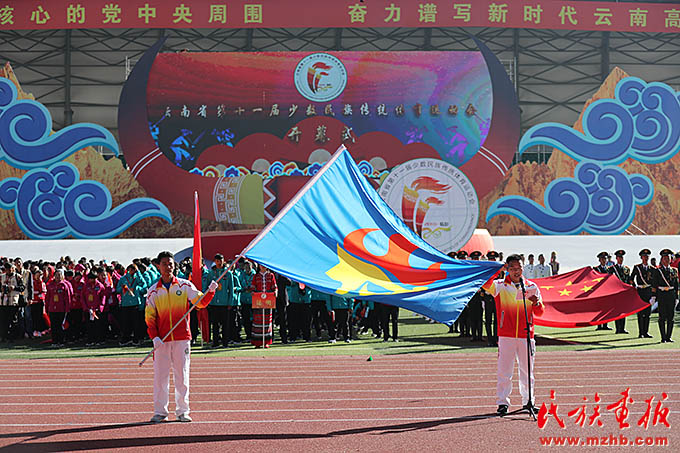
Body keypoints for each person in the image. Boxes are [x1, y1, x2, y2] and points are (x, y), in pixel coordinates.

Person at [145, 250, 217, 423]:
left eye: (170, 264)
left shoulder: (185, 286)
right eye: (164, 264)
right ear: (158, 266)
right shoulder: (153, 291)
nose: (168, 267)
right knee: (160, 377)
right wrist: (154, 337)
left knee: (182, 375)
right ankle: (160, 411)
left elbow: (200, 303)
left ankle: (183, 411)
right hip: (161, 341)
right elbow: (149, 317)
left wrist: (210, 292)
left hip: (181, 338)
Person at [483, 254, 544, 416]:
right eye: (512, 268)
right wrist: (497, 270)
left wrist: (536, 303)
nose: (516, 271)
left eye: (519, 268)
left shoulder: (531, 286)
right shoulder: (499, 286)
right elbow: (485, 283)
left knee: (527, 371)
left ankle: (529, 401)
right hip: (506, 335)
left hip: (526, 334)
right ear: (507, 269)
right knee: (505, 371)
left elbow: (540, 312)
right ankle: (503, 402)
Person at [250, 264, 277, 348]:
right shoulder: (256, 276)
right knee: (257, 321)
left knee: (267, 321)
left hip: (268, 301)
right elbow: (253, 287)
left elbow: (274, 287)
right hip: (258, 301)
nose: (263, 266)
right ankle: (257, 342)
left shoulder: (271, 275)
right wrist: (253, 292)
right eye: (261, 265)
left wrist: (275, 292)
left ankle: (266, 342)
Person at [653, 249, 677, 343]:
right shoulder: (657, 270)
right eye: (665, 258)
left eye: (668, 258)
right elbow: (654, 284)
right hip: (662, 294)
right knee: (662, 317)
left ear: (671, 259)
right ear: (662, 259)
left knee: (671, 317)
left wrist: (677, 297)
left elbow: (676, 285)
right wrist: (654, 296)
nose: (666, 260)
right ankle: (663, 337)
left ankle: (669, 337)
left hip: (671, 294)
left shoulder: (674, 270)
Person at [44, 269, 72, 347]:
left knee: (60, 326)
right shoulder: (50, 285)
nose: (57, 277)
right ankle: (54, 341)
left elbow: (67, 298)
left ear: (62, 276)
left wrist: (67, 309)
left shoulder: (64, 285)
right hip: (52, 309)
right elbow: (47, 297)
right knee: (53, 326)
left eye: (59, 275)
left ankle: (61, 341)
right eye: (56, 275)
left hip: (61, 309)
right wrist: (46, 308)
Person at [630, 249, 654, 339]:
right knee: (640, 313)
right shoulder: (637, 267)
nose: (646, 258)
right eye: (644, 256)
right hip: (640, 291)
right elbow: (631, 278)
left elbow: (654, 281)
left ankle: (646, 332)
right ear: (641, 257)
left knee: (647, 313)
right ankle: (641, 333)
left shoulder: (652, 268)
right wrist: (635, 286)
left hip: (648, 291)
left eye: (647, 256)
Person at [608, 250, 631, 334]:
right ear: (616, 258)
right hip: (616, 292)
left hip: (624, 292)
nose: (621, 259)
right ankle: (618, 328)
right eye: (619, 257)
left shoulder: (626, 268)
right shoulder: (611, 269)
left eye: (622, 257)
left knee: (623, 310)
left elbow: (628, 280)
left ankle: (623, 328)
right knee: (617, 311)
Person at [593, 252, 612, 331]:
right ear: (599, 260)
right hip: (599, 291)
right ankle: (599, 325)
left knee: (606, 308)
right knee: (599, 308)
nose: (604, 260)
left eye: (605, 259)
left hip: (607, 291)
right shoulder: (596, 269)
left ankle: (605, 325)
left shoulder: (609, 269)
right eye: (602, 259)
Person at [467, 251, 484, 342]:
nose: (476, 259)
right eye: (475, 258)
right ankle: (474, 335)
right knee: (472, 317)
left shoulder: (483, 268)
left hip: (481, 296)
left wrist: (482, 289)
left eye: (478, 258)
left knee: (480, 318)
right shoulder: (470, 269)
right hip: (472, 296)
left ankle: (480, 336)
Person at [484, 251, 500, 347]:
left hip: (497, 297)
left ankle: (496, 339)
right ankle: (490, 339)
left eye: (494, 259)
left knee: (497, 320)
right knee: (488, 320)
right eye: (491, 259)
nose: (492, 260)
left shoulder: (500, 271)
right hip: (488, 297)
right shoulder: (486, 270)